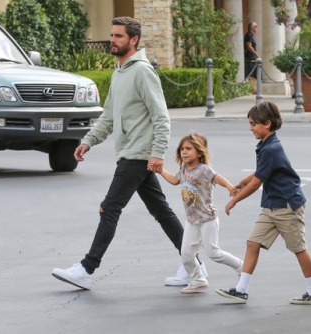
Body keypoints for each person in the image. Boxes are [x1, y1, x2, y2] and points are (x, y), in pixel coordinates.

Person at [51, 16, 206, 290]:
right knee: (162, 211)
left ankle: (87, 268)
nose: (113, 40)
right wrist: (88, 140)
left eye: (118, 36)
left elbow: (161, 117)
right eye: (112, 35)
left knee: (110, 208)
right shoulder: (119, 71)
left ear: (133, 40)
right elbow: (109, 116)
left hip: (138, 154)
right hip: (132, 153)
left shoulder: (143, 72)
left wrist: (157, 153)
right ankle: (193, 265)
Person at [215, 101, 311, 305]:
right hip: (271, 206)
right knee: (252, 243)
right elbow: (259, 173)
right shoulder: (266, 145)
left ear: (267, 124)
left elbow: (257, 183)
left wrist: (233, 201)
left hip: (287, 206)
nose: (251, 128)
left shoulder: (271, 148)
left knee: (298, 248)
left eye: (253, 124)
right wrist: (243, 181)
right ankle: (241, 289)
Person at [159, 133, 243, 294]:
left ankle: (242, 267)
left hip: (207, 219)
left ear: (199, 152)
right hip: (191, 220)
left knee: (214, 253)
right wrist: (160, 170)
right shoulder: (183, 169)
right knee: (186, 254)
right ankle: (198, 281)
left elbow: (218, 178)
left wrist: (231, 188)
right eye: (182, 149)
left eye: (188, 149)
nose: (184, 152)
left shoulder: (204, 169)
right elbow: (174, 180)